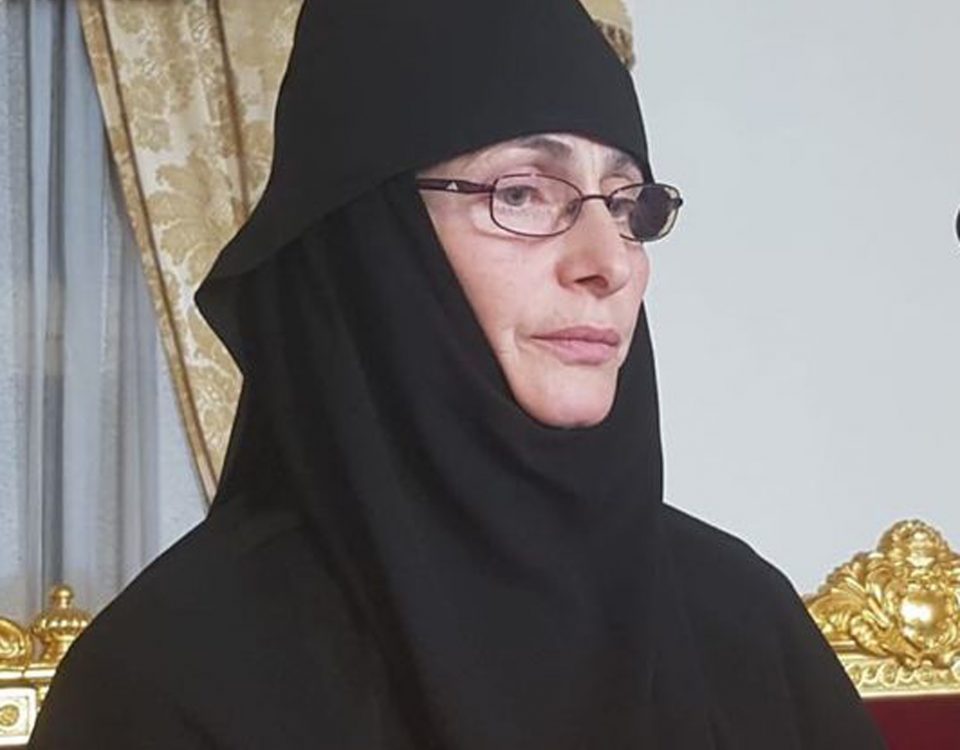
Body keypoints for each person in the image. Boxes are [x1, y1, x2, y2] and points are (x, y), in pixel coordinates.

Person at [30, 1, 886, 748]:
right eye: (522, 192)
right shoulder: (166, 684)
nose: (611, 263)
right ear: (377, 244)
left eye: (628, 204)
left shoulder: (742, 620)